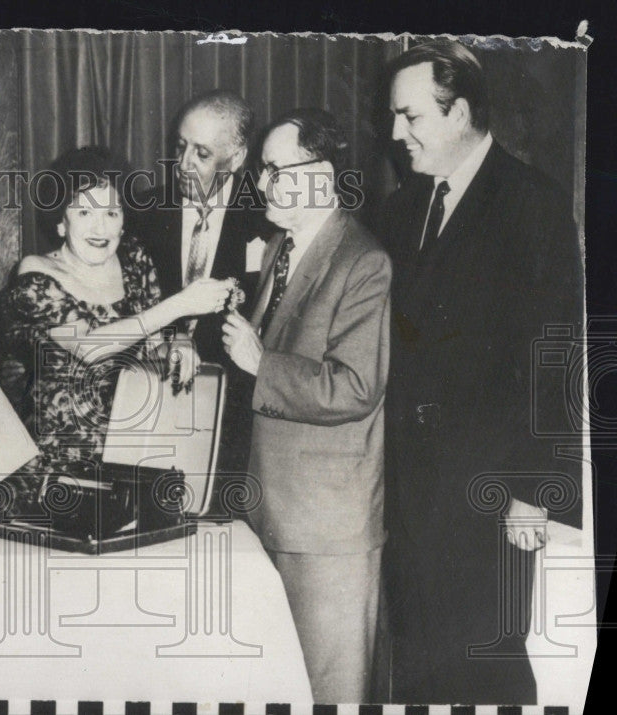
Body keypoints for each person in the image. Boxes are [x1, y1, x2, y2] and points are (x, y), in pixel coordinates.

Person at [378, 40, 583, 704]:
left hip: (491, 488)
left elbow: (557, 351)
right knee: (416, 661)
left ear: (459, 109)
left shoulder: (532, 203)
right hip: (408, 483)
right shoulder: (402, 207)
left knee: (485, 661)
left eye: (409, 117)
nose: (394, 133)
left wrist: (536, 488)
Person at [221, 109, 390, 703]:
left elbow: (354, 387)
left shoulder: (363, 262)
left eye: (273, 170)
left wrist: (257, 361)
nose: (260, 184)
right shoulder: (278, 249)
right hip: (270, 508)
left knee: (330, 694)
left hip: (327, 528)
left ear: (320, 175)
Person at [0, 146, 234, 488]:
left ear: (124, 221)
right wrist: (180, 305)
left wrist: (178, 346)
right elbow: (91, 347)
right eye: (84, 213)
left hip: (132, 462)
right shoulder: (36, 273)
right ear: (61, 223)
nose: (100, 228)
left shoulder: (135, 262)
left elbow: (154, 343)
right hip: (56, 470)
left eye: (111, 213)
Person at [133, 89, 269, 484]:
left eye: (202, 153)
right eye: (181, 147)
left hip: (233, 424)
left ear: (238, 157)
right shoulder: (142, 212)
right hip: (150, 407)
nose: (183, 164)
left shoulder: (268, 220)